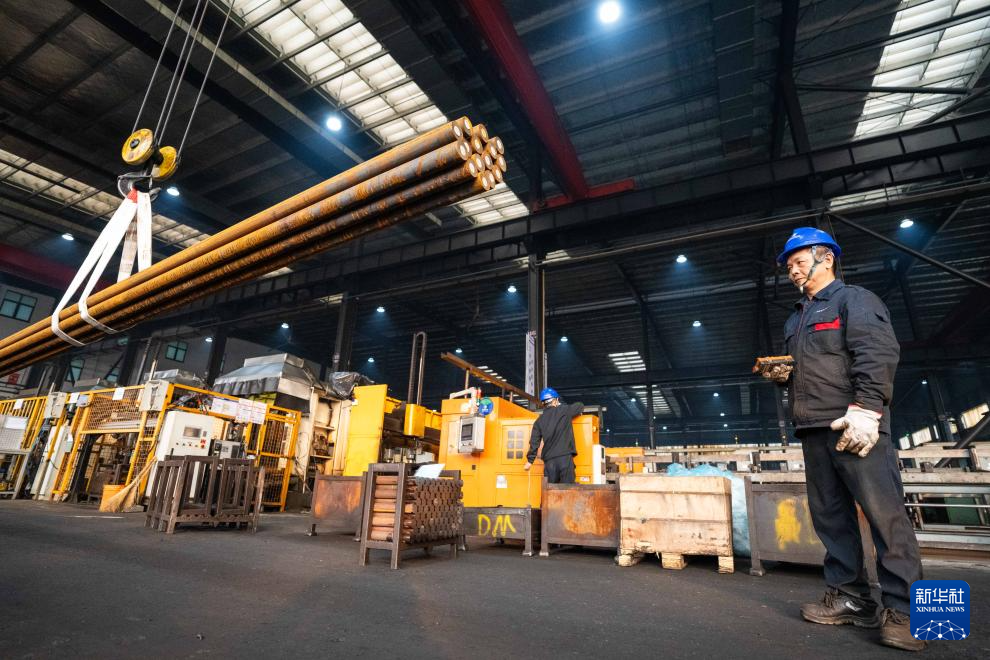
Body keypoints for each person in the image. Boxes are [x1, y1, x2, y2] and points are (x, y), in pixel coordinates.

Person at [760, 227, 924, 652]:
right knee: (831, 518)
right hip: (814, 428)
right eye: (789, 265)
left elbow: (877, 352)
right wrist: (785, 375)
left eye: (799, 262)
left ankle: (908, 612)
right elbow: (817, 368)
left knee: (886, 518)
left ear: (826, 258)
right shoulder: (796, 318)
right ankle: (852, 598)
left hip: (856, 425)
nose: (793, 271)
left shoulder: (855, 300)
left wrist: (867, 409)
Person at [524, 387, 583, 484]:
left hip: (549, 461)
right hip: (565, 458)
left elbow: (534, 442)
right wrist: (561, 405)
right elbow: (580, 405)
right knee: (567, 489)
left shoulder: (539, 421)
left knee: (550, 490)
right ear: (555, 401)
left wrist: (530, 461)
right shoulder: (563, 410)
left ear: (543, 403)